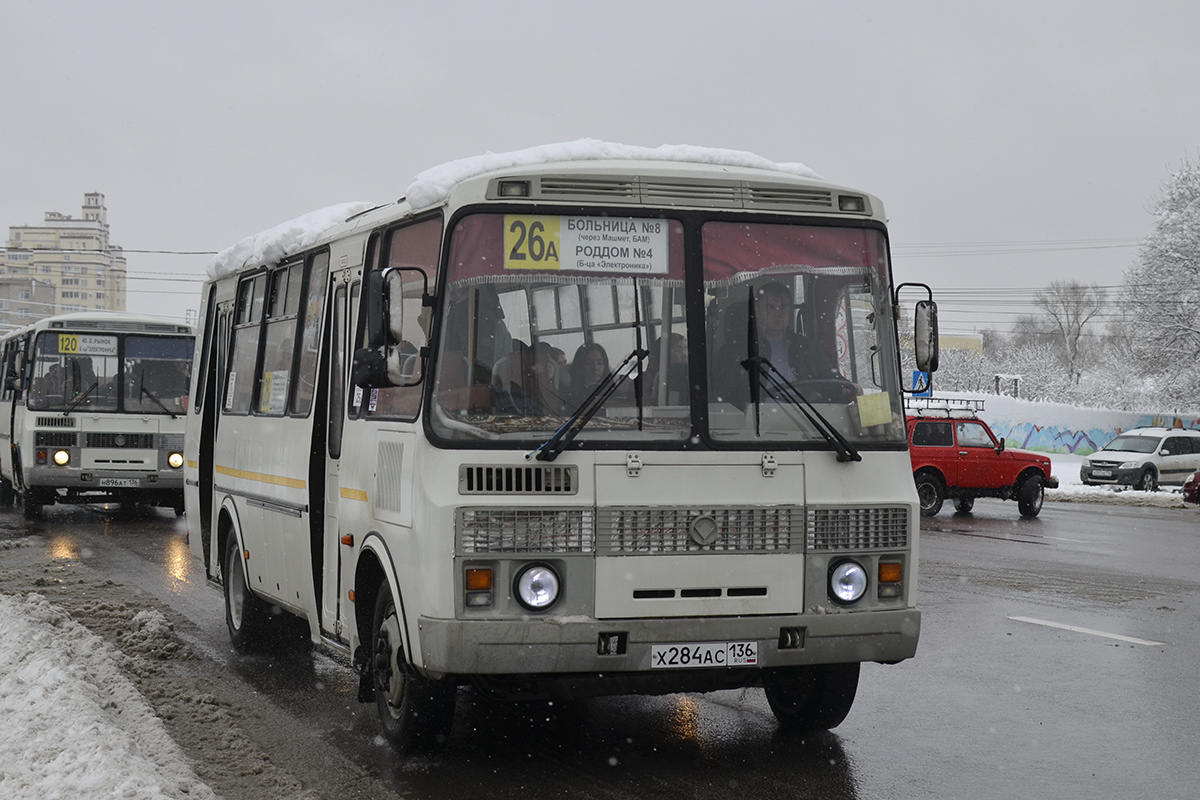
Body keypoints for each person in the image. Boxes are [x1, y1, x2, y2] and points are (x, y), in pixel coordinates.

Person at [563, 342, 611, 409]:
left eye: (600, 363)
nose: (595, 367)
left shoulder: (613, 389)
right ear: (579, 365)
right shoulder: (569, 394)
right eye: (589, 363)